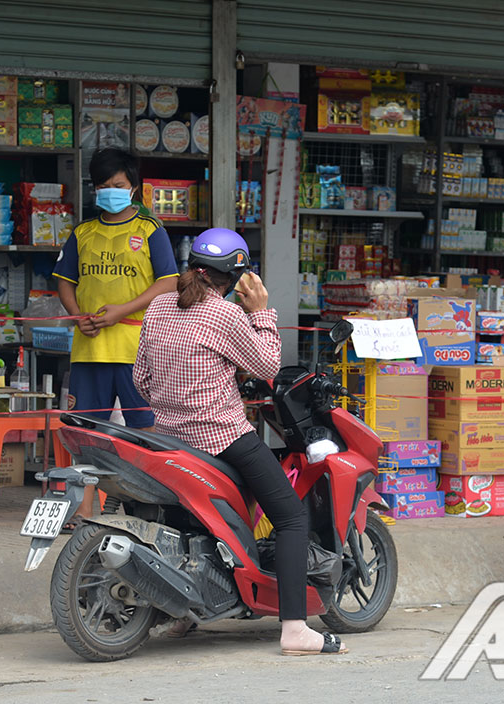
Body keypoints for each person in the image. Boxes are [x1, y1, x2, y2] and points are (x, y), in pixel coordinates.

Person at [134, 228, 346, 656]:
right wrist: (262, 312)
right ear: (235, 277)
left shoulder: (158, 306)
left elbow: (141, 380)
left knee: (182, 521)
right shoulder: (225, 316)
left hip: (168, 439)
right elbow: (268, 363)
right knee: (289, 518)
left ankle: (183, 614)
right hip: (221, 436)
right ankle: (295, 629)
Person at [53, 148, 177, 428]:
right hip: (90, 349)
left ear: (133, 187)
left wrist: (122, 311)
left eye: (118, 186)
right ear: (94, 189)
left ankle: (144, 474)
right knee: (83, 429)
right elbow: (64, 280)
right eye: (103, 187)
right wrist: (77, 315)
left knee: (148, 428)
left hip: (138, 350)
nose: (111, 192)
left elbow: (169, 282)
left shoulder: (150, 230)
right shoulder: (82, 233)